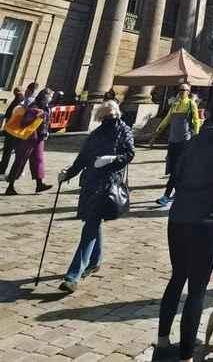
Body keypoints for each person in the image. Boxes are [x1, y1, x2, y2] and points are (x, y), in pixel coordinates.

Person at [153, 91, 213, 362]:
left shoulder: (191, 141)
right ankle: (187, 355)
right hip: (205, 222)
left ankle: (162, 340)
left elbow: (176, 178)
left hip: (178, 217)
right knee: (197, 290)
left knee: (177, 277)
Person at [57, 99, 135, 293]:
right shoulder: (96, 134)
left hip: (108, 184)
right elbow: (82, 159)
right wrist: (68, 173)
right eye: (108, 115)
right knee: (93, 222)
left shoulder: (124, 130)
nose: (112, 117)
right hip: (90, 183)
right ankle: (95, 260)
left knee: (90, 225)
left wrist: (113, 159)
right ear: (101, 117)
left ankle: (73, 275)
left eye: (114, 114)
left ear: (118, 113)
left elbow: (129, 154)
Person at [150, 83, 201, 207]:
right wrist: (156, 133)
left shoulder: (191, 104)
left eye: (184, 90)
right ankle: (181, 193)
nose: (182, 92)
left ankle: (166, 195)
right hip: (173, 141)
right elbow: (166, 120)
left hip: (184, 141)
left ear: (188, 92)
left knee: (176, 170)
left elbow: (196, 121)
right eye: (180, 90)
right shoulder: (175, 105)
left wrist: (197, 137)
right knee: (173, 168)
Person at [5, 87, 54, 195]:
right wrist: (36, 115)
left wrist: (46, 132)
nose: (51, 98)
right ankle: (10, 186)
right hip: (28, 138)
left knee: (38, 160)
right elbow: (24, 122)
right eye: (50, 96)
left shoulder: (46, 107)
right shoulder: (34, 106)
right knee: (20, 161)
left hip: (39, 138)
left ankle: (39, 184)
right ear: (44, 96)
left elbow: (46, 122)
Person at [0, 87, 24, 178]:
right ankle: (16, 170)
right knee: (12, 151)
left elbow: (11, 114)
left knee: (8, 151)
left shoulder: (18, 99)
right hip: (14, 130)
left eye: (17, 91)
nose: (15, 93)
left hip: (12, 130)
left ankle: (3, 169)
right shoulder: (20, 99)